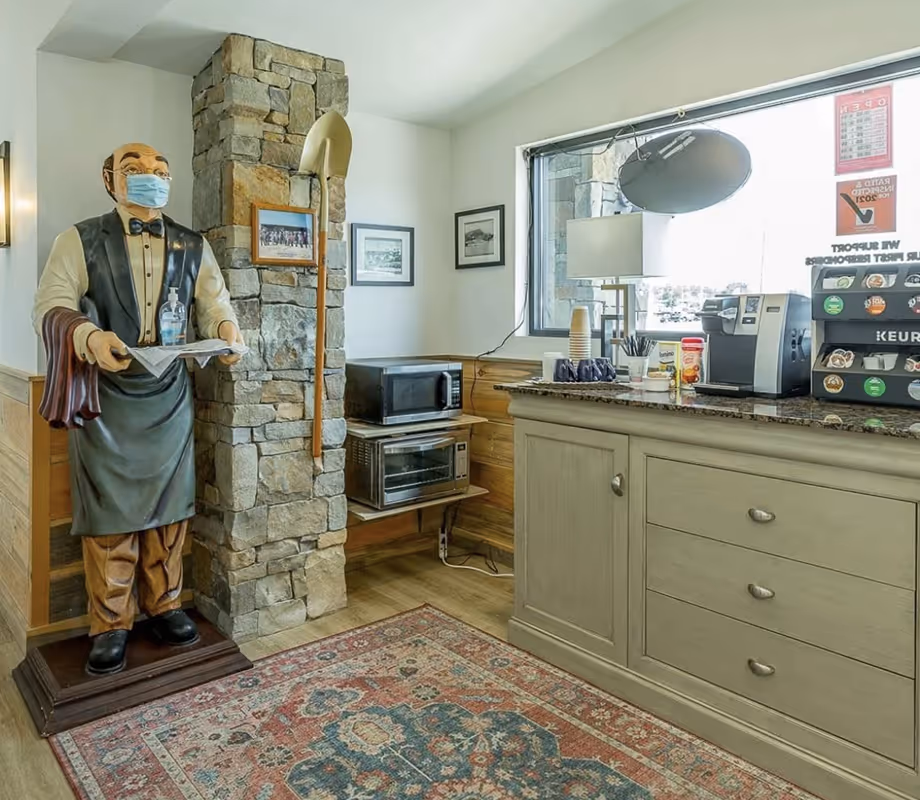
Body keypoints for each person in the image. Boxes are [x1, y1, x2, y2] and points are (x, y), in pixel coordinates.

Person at [33, 142, 243, 676]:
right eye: (135, 169)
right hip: (108, 398)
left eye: (160, 171)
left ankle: (166, 604)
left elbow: (214, 302)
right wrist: (87, 336)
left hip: (169, 394)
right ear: (110, 179)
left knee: (170, 511)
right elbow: (51, 304)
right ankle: (110, 623)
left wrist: (226, 332)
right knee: (111, 517)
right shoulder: (78, 240)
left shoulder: (193, 245)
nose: (150, 176)